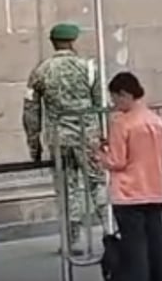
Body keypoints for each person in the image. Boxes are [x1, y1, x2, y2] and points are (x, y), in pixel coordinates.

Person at [94, 72, 162, 281]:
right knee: (156, 246)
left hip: (130, 192)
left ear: (126, 94)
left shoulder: (122, 123)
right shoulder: (156, 120)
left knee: (135, 251)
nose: (114, 104)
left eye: (116, 98)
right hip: (154, 188)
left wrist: (98, 154)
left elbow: (117, 161)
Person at [23, 22, 104, 255]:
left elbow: (31, 110)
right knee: (96, 183)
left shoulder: (41, 71)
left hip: (58, 138)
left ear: (53, 42)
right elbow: (100, 105)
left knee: (67, 190)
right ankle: (111, 231)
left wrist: (33, 144)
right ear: (73, 41)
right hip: (88, 137)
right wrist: (104, 136)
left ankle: (71, 241)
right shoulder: (88, 68)